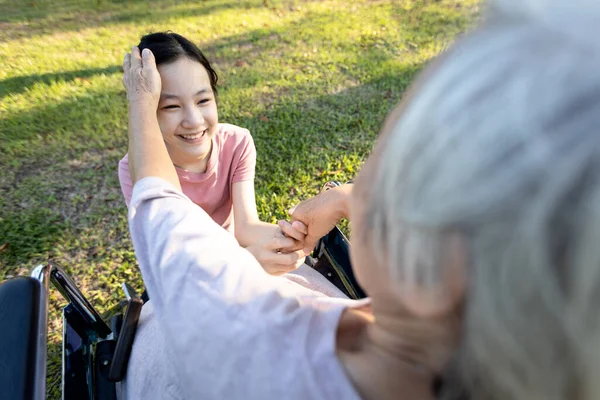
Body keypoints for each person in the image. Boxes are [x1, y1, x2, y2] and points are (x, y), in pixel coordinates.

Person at [122, 0, 600, 398]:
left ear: (430, 273)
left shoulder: (248, 344)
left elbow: (163, 212)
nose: (356, 188)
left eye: (376, 174)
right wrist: (347, 200)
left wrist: (143, 104)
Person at [118, 31, 305, 275]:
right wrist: (244, 262)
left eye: (203, 100)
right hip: (185, 275)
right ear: (149, 113)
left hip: (232, 256)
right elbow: (170, 258)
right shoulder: (133, 169)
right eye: (171, 106)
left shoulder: (236, 143)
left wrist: (296, 235)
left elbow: (246, 228)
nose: (194, 121)